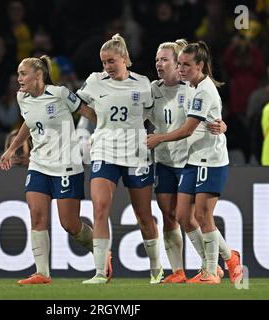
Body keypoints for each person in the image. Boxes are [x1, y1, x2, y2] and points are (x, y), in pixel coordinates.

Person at [147, 41, 243, 284]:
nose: (162, 64)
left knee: (199, 214)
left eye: (168, 60)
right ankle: (199, 267)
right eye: (159, 60)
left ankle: (213, 267)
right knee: (179, 215)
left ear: (197, 65)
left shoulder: (194, 89)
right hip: (179, 159)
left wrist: (221, 124)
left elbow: (193, 127)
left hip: (200, 158)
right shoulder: (155, 89)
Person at [0, 55, 99, 285]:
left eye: (23, 73)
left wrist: (104, 132)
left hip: (66, 164)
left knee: (70, 224)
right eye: (18, 73)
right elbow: (29, 121)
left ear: (38, 74)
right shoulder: (22, 97)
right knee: (37, 216)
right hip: (39, 164)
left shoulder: (61, 94)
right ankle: (42, 273)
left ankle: (101, 251)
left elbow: (88, 112)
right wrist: (12, 149)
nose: (19, 78)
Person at [77, 34, 163, 285]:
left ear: (125, 59)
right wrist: (99, 121)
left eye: (111, 61)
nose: (107, 67)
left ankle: (156, 268)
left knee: (144, 215)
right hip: (104, 151)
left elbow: (151, 113)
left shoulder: (143, 84)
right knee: (100, 209)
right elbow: (78, 105)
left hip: (136, 154)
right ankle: (101, 272)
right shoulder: (95, 81)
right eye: (104, 62)